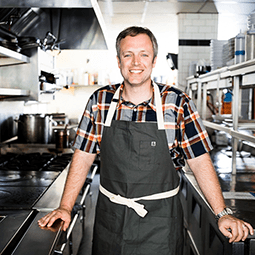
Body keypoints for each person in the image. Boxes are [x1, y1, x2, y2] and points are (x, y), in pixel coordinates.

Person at [38, 26, 253, 254]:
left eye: (144, 54)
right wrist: (65, 206)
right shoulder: (99, 101)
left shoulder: (177, 103)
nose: (135, 62)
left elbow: (199, 160)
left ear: (154, 60)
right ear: (119, 61)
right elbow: (82, 157)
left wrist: (222, 213)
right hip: (111, 222)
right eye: (127, 54)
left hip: (161, 225)